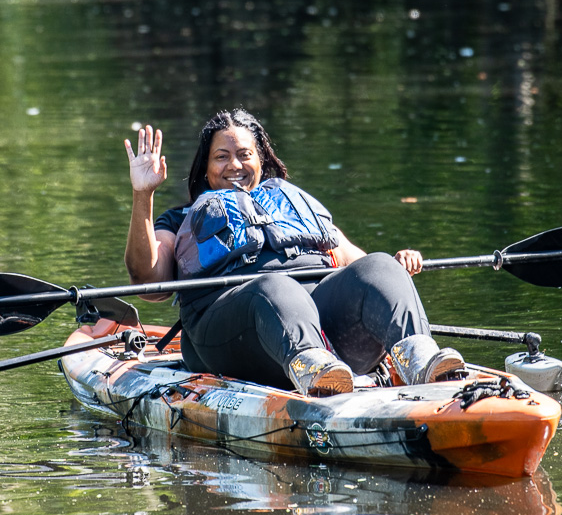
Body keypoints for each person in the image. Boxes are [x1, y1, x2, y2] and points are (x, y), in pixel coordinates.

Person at [123, 109, 465, 397]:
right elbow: (146, 277)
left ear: (261, 159)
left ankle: (424, 364)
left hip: (319, 319)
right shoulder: (183, 219)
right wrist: (143, 196)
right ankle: (321, 381)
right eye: (221, 157)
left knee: (380, 265)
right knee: (275, 287)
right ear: (206, 167)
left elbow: (358, 264)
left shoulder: (290, 206)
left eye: (244, 154)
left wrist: (398, 265)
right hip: (230, 329)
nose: (235, 165)